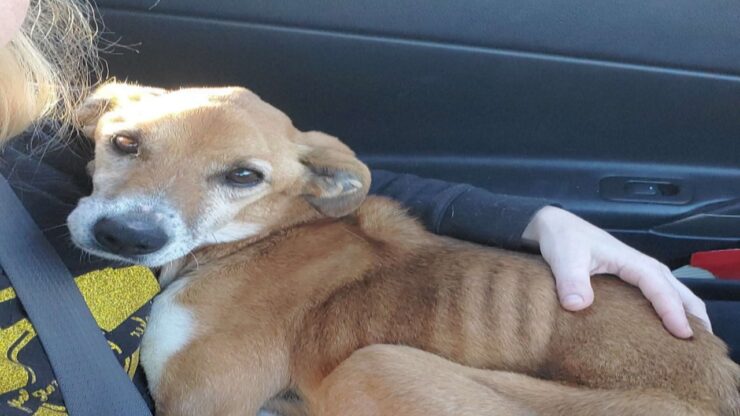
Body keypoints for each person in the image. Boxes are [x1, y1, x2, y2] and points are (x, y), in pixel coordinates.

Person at [0, 0, 716, 414]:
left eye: (238, 179)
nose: (142, 214)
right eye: (129, 148)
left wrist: (537, 219)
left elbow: (347, 187)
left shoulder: (48, 137)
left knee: (376, 377)